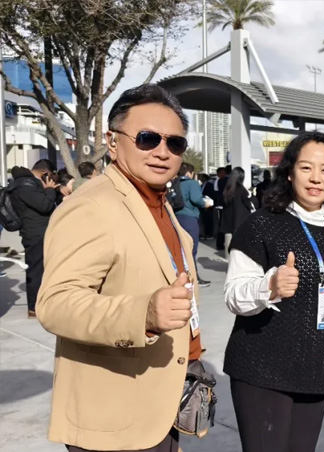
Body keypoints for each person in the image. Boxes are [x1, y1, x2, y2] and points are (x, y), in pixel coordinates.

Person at [36, 84, 202, 451]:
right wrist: (143, 314)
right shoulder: (92, 206)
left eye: (175, 143)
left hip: (160, 405)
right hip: (113, 418)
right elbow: (55, 303)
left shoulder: (159, 202)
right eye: (147, 138)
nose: (162, 152)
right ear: (113, 142)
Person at [223, 131, 324, 452]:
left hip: (316, 369)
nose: (316, 178)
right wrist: (269, 287)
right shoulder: (261, 224)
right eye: (306, 167)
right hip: (263, 369)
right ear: (290, 172)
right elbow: (233, 294)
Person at [8, 159, 58, 318]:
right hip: (35, 234)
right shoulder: (26, 186)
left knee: (43, 270)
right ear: (46, 173)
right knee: (36, 271)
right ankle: (34, 307)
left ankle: (42, 303)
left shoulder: (28, 184)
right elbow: (44, 205)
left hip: (38, 232)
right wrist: (49, 190)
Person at [176, 162, 212, 287]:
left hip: (175, 217)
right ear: (188, 173)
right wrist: (206, 204)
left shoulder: (174, 183)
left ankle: (181, 276)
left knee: (180, 249)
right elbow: (196, 199)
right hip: (189, 218)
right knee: (191, 249)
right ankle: (193, 277)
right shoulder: (192, 183)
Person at [220, 166, 253, 259]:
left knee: (229, 240)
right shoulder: (241, 189)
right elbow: (247, 203)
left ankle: (229, 258)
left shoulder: (227, 189)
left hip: (228, 220)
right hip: (240, 220)